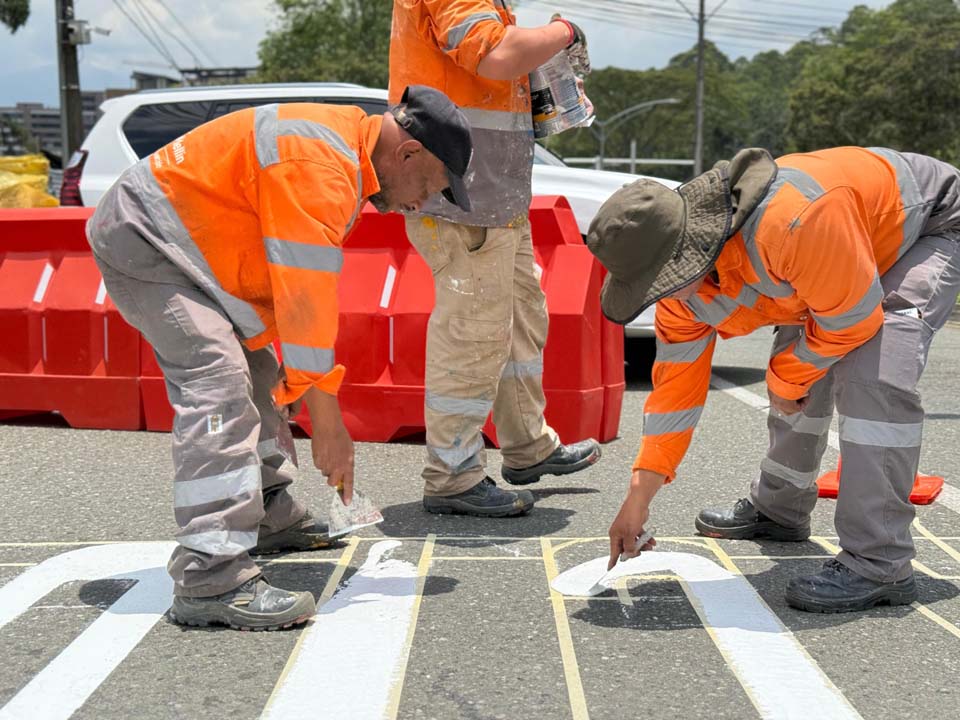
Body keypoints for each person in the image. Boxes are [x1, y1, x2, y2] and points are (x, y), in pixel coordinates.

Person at [86, 86, 474, 630]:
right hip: (146, 242)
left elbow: (294, 302)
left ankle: (265, 512)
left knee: (258, 370)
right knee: (217, 380)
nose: (421, 203)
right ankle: (209, 576)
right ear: (408, 153)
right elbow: (305, 302)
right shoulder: (321, 165)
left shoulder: (344, 150)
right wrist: (330, 428)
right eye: (431, 185)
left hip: (190, 247)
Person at [587, 146, 960, 613]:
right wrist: (637, 499)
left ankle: (879, 561)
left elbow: (851, 321)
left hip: (930, 225)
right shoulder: (683, 295)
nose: (654, 295)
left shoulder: (791, 224)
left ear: (689, 250)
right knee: (798, 357)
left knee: (874, 374)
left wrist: (786, 380)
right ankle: (779, 510)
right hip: (840, 253)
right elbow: (674, 397)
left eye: (656, 281)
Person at [389, 1, 600, 518]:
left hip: (493, 194)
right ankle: (453, 475)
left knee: (518, 318)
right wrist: (562, 32)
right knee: (474, 331)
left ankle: (528, 446)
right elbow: (497, 56)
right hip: (459, 195)